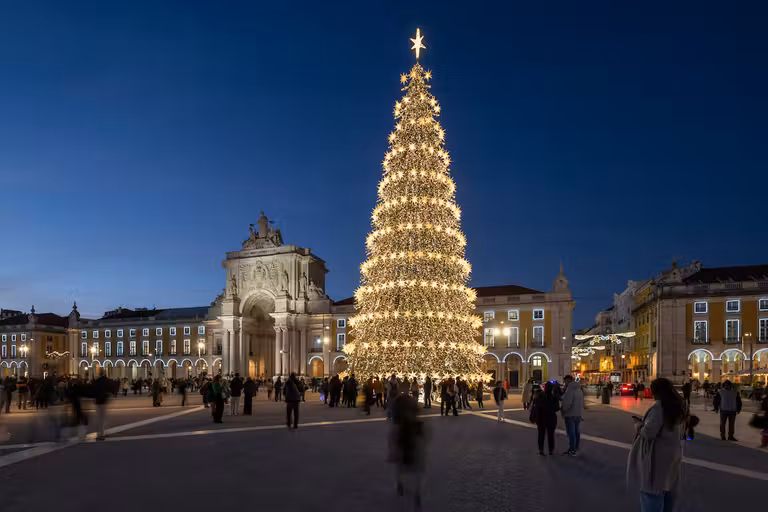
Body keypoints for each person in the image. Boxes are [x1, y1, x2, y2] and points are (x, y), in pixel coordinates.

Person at [627, 378, 685, 512]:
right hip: (672, 454)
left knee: (651, 492)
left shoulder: (659, 409)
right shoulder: (678, 407)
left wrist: (638, 425)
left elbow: (649, 432)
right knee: (668, 488)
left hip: (656, 457)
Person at [390, 384, 425, 511]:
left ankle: (400, 483)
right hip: (412, 434)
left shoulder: (398, 401)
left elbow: (393, 417)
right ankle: (416, 492)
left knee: (400, 461)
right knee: (416, 466)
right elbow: (417, 413)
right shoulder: (410, 401)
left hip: (402, 434)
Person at [530, 382, 558, 455]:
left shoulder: (539, 396)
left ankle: (541, 449)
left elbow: (535, 407)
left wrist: (532, 416)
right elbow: (556, 408)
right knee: (551, 435)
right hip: (551, 418)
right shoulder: (553, 396)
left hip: (541, 418)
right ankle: (550, 450)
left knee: (541, 434)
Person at [561, 375, 585, 456]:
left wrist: (563, 409)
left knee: (571, 433)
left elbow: (567, 403)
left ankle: (572, 449)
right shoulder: (579, 390)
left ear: (568, 381)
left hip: (570, 414)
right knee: (576, 432)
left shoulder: (570, 390)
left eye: (565, 381)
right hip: (578, 414)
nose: (564, 383)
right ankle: (576, 447)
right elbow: (582, 403)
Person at [93, 371, 110, 441]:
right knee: (103, 418)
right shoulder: (106, 381)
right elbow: (109, 390)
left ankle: (98, 434)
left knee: (98, 419)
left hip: (98, 401)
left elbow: (93, 390)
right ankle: (102, 434)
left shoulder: (97, 381)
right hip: (103, 401)